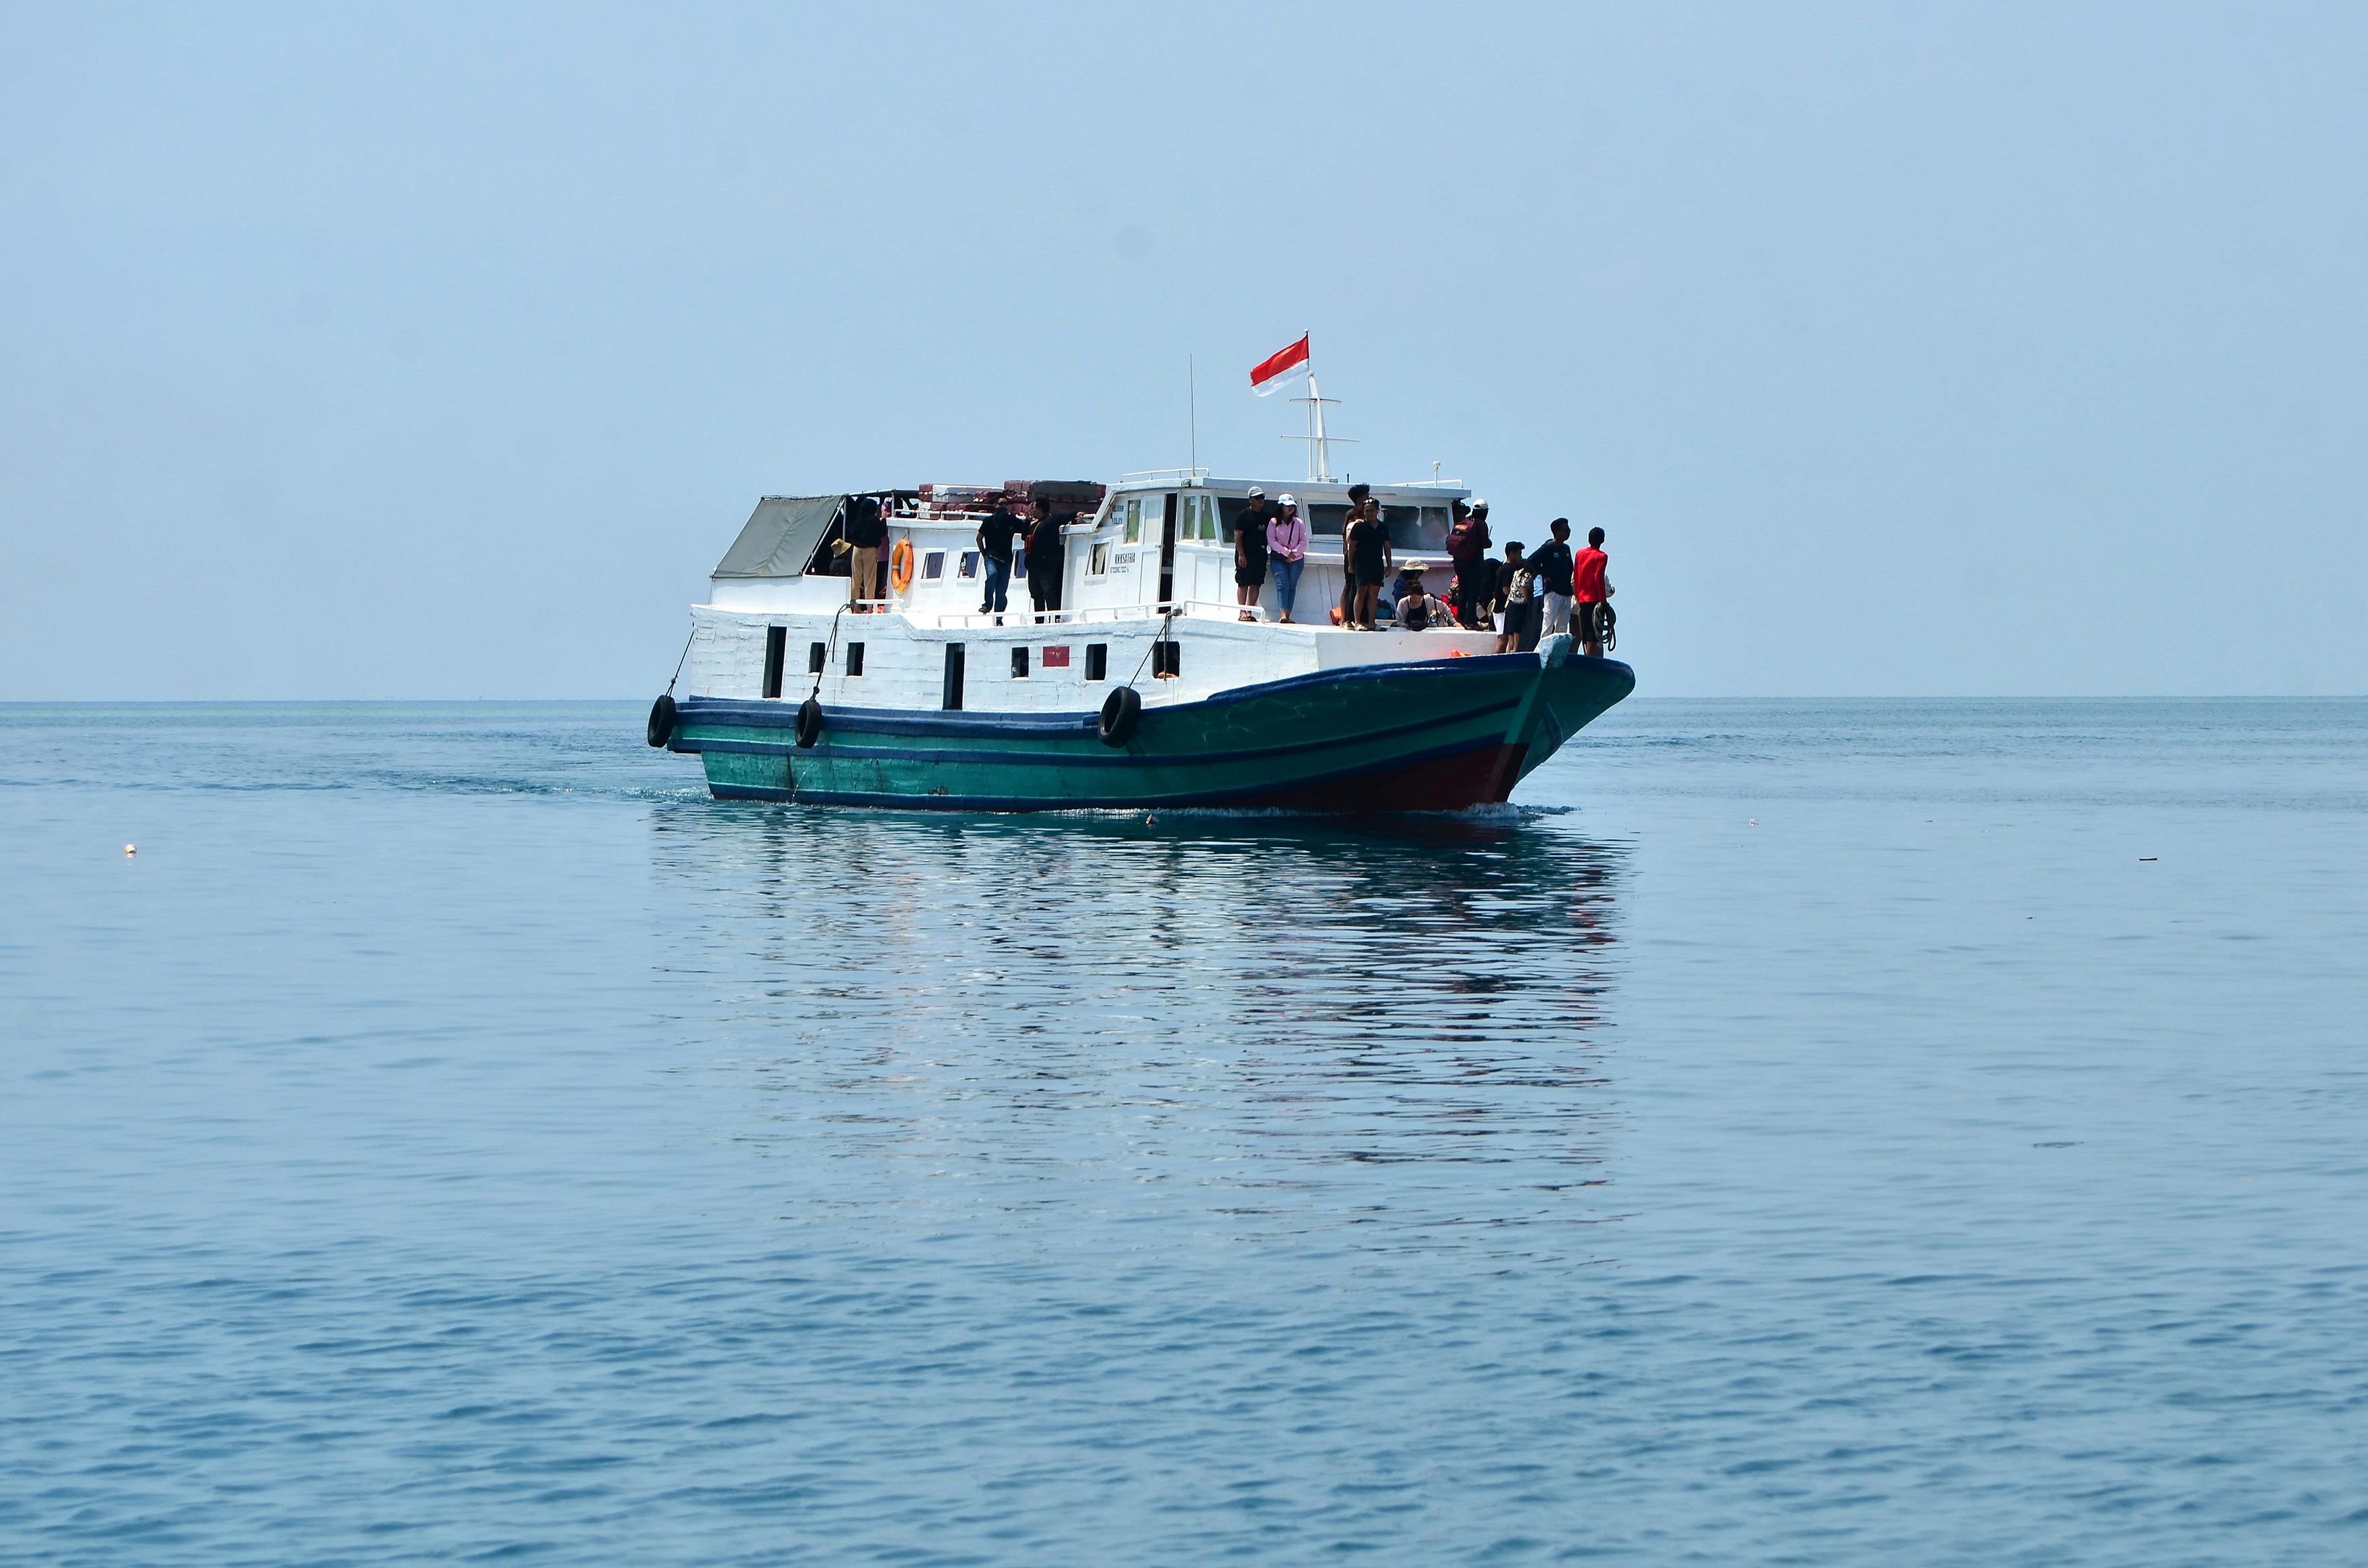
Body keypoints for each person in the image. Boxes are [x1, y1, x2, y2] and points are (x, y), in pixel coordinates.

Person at [1444, 498, 1493, 628]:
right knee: (1473, 592)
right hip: (1473, 562)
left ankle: (1460, 619)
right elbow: (1485, 543)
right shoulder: (1481, 524)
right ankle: (1470, 621)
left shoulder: (1465, 521)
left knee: (1463, 590)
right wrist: (1490, 542)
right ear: (1485, 512)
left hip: (1459, 562)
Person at [1346, 496, 1390, 630]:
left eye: (1371, 510)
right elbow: (1352, 548)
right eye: (1366, 511)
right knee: (1361, 591)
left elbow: (1387, 547)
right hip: (1362, 564)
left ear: (1377, 511)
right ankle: (1358, 622)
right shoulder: (1359, 527)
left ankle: (1372, 622)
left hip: (1377, 563)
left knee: (1374, 593)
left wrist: (1389, 565)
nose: (1369, 513)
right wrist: (1351, 565)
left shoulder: (1383, 527)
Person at [976, 498, 1024, 621]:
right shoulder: (988, 521)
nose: (1003, 506)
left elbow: (1025, 528)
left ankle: (998, 620)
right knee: (992, 575)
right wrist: (984, 554)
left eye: (1005, 504)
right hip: (991, 557)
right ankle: (987, 604)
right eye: (1001, 503)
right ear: (995, 505)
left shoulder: (1012, 521)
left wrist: (1030, 519)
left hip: (1006, 560)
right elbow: (979, 538)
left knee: (1001, 593)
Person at [1267, 494, 1308, 623]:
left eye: (1292, 506)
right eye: (1288, 506)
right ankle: (1283, 614)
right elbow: (1271, 541)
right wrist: (1286, 553)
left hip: (1296, 560)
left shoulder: (1299, 523)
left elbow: (1304, 541)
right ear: (1281, 507)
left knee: (1292, 586)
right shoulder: (1273, 522)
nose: (1290, 508)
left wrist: (1293, 554)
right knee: (1282, 585)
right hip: (1279, 559)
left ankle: (1288, 615)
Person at [1532, 517, 1575, 639]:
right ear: (1557, 531)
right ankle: (1543, 646)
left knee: (1563, 625)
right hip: (1553, 591)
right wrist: (1545, 574)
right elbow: (1532, 560)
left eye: (1569, 529)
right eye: (1565, 530)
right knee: (1549, 621)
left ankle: (1559, 646)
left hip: (1566, 591)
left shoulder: (1566, 548)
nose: (1568, 532)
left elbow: (1570, 567)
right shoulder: (1548, 547)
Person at [1495, 541, 1541, 653]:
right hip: (1510, 608)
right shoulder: (1509, 570)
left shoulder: (1513, 571)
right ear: (1512, 554)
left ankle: (1505, 661)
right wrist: (1527, 599)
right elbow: (1507, 590)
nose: (1521, 557)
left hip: (1507, 607)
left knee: (1510, 641)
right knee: (1510, 640)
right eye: (1519, 554)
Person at [1574, 525, 1612, 656]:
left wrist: (1578, 595)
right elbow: (1599, 578)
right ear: (1603, 540)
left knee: (1586, 631)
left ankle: (1590, 656)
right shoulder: (1602, 556)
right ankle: (1589, 658)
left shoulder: (1580, 554)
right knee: (1594, 633)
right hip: (1595, 599)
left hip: (1582, 599)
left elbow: (1577, 576)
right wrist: (1603, 601)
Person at [1336, 482, 1371, 626]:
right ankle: (1345, 619)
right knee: (1349, 586)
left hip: (1363, 558)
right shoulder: (1351, 515)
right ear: (1359, 499)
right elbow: (1348, 538)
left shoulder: (1368, 515)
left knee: (1359, 587)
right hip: (1351, 557)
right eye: (1366, 497)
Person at [1233, 487, 1271, 620]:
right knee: (1243, 582)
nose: (1261, 500)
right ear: (1250, 500)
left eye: (1262, 497)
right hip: (1246, 554)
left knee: (1256, 582)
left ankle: (1250, 611)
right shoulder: (1243, 516)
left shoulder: (1267, 516)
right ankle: (1242, 611)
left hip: (1260, 554)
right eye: (1257, 498)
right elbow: (1238, 535)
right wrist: (1241, 555)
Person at [1026, 505, 1068, 622]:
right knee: (1036, 594)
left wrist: (1076, 514)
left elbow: (1063, 517)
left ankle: (1054, 618)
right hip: (1033, 565)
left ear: (1040, 509)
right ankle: (1039, 620)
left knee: (1048, 592)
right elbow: (1025, 535)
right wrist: (1027, 521)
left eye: (1033, 508)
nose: (1032, 511)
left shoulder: (1051, 521)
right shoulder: (1034, 525)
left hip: (1046, 565)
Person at [1393, 561, 1453, 630]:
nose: (1416, 601)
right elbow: (1400, 621)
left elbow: (1444, 607)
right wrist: (1406, 626)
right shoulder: (1403, 600)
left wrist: (1453, 622)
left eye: (1419, 598)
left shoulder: (1427, 600)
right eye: (1414, 598)